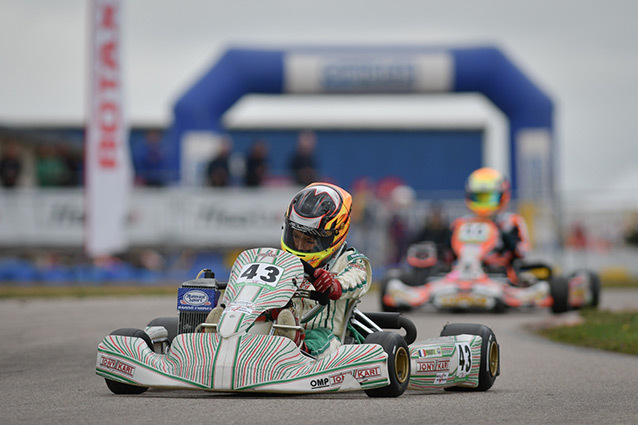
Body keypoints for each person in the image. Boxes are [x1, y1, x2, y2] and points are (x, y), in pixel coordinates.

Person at [280, 182, 372, 357]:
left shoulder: (350, 260)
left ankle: (298, 349)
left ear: (335, 234)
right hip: (282, 326)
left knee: (317, 338)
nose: (299, 245)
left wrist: (334, 284)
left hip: (327, 337)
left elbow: (357, 279)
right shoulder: (283, 261)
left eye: (308, 241)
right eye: (295, 236)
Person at [451, 167, 530, 284]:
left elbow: (522, 252)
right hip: (461, 269)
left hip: (499, 271)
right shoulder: (461, 223)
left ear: (502, 196)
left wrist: (505, 238)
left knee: (514, 272)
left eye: (489, 198)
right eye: (479, 198)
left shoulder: (511, 222)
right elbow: (448, 254)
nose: (484, 203)